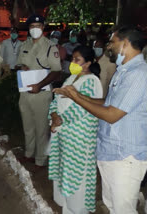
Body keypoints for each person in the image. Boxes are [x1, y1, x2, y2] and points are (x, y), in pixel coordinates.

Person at [53, 26, 147, 214]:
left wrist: (77, 98)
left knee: (123, 210)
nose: (108, 47)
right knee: (112, 206)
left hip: (125, 156)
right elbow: (108, 103)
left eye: (112, 42)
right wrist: (76, 95)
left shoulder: (138, 74)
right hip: (110, 152)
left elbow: (112, 114)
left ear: (125, 43)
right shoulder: (123, 71)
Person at [48, 46, 103, 214]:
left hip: (80, 139)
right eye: (73, 59)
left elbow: (83, 108)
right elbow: (56, 100)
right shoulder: (71, 78)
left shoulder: (91, 81)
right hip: (65, 135)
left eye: (77, 60)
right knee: (65, 172)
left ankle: (77, 209)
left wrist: (60, 120)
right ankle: (67, 207)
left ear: (88, 63)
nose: (73, 63)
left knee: (78, 175)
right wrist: (54, 114)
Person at [16, 15, 61, 168]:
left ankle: (40, 160)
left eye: (38, 26)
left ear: (43, 27)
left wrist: (40, 84)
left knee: (41, 127)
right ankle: (29, 153)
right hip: (25, 92)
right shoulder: (24, 45)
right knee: (27, 125)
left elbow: (56, 71)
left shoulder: (50, 47)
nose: (35, 29)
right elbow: (18, 64)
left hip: (41, 93)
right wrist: (21, 67)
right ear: (28, 28)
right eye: (32, 26)